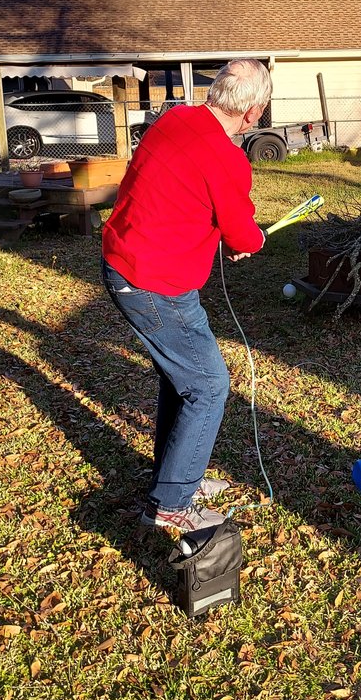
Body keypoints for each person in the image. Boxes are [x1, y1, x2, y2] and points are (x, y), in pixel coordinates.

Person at [101, 58, 272, 533]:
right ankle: (172, 504)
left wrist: (224, 233)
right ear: (254, 112)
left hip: (126, 263)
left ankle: (174, 478)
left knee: (182, 380)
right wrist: (250, 241)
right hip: (154, 285)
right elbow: (242, 233)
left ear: (217, 91)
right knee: (209, 385)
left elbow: (182, 193)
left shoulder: (174, 119)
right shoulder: (228, 157)